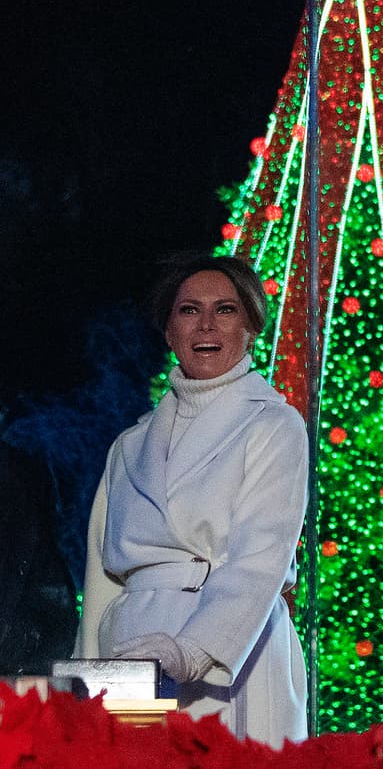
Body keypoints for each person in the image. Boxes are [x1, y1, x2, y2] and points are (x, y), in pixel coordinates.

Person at [75, 254, 307, 746]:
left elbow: (261, 557)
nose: (206, 325)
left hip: (231, 651)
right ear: (169, 331)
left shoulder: (274, 425)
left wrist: (194, 651)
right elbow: (102, 579)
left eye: (225, 309)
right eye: (188, 310)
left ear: (250, 327)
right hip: (131, 656)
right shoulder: (129, 445)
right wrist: (87, 682)